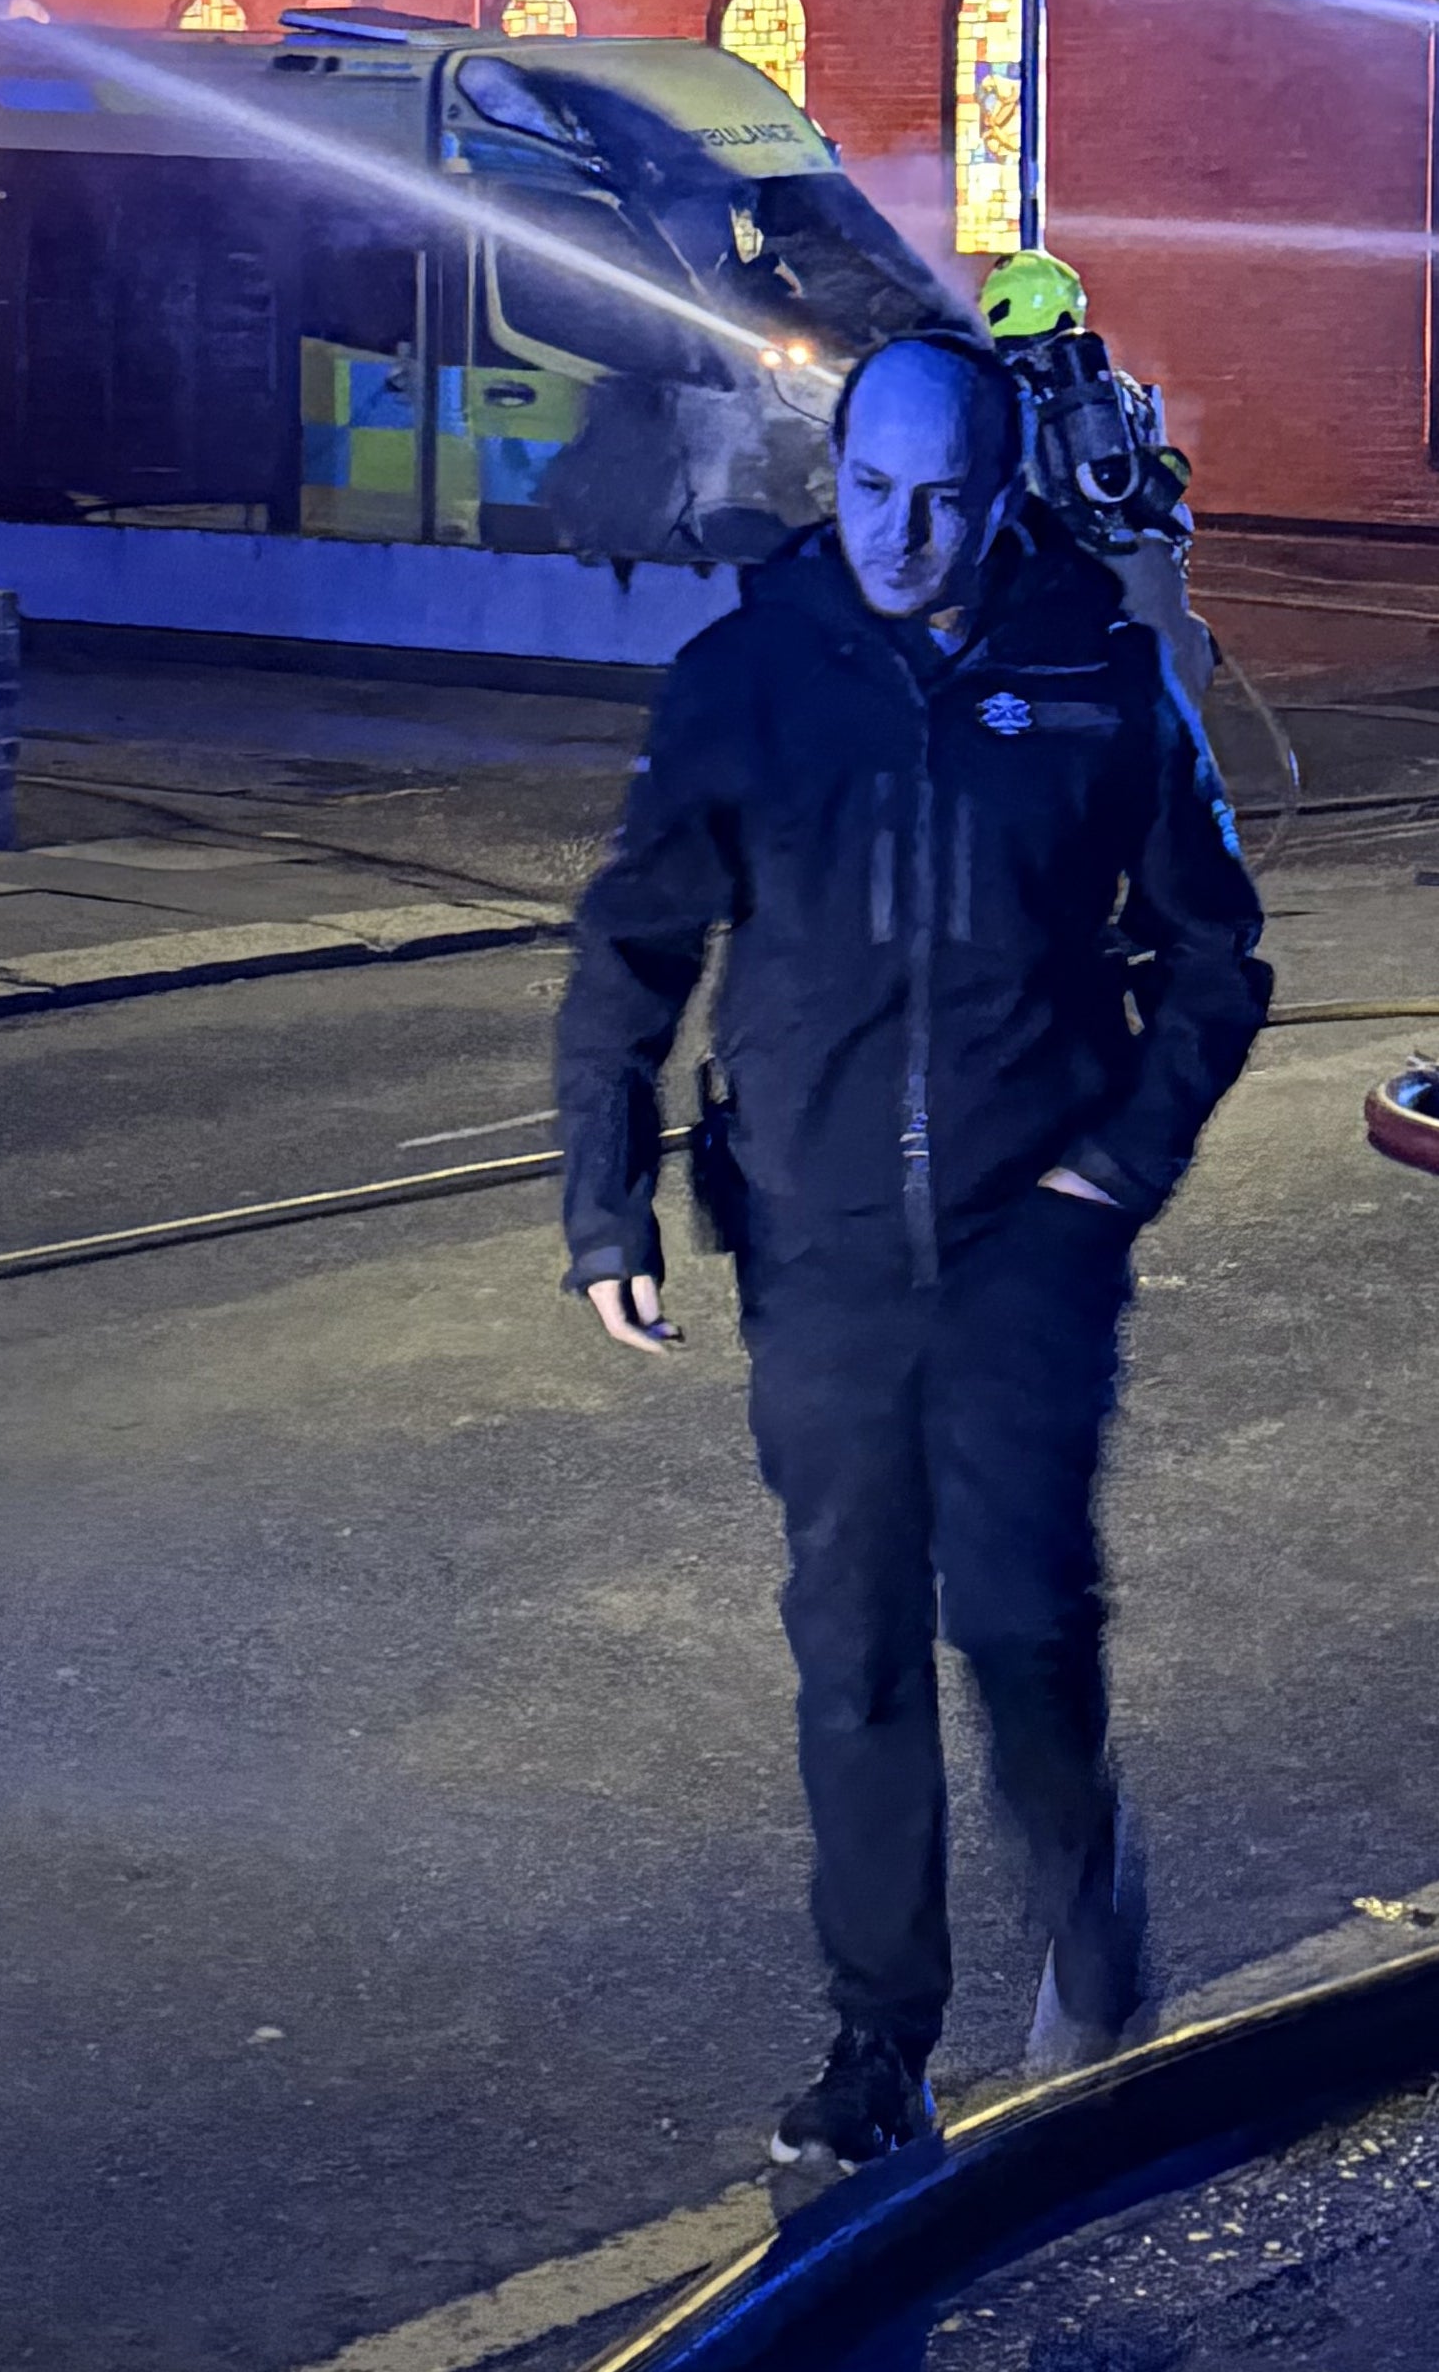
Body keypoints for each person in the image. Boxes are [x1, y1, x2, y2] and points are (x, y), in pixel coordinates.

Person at [555, 328, 1269, 2169]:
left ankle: (1091, 1930)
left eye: (943, 497)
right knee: (853, 1644)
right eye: (872, 489)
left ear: (1002, 489)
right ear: (837, 477)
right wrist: (605, 1197)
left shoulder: (1098, 676)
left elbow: (1214, 955)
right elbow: (632, 944)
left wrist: (1113, 1172)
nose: (901, 532)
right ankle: (880, 2045)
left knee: (1019, 1618)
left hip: (1033, 1235)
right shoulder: (746, 677)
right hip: (818, 1245)